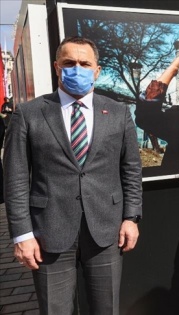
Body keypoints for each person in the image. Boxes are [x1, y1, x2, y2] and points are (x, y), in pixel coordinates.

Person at [4, 37, 143, 314]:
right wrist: (22, 235)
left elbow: (131, 169)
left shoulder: (118, 113)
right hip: (48, 233)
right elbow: (16, 178)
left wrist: (131, 217)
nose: (76, 68)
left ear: (97, 70)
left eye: (84, 63)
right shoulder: (29, 114)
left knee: (107, 309)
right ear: (57, 67)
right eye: (69, 63)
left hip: (106, 230)